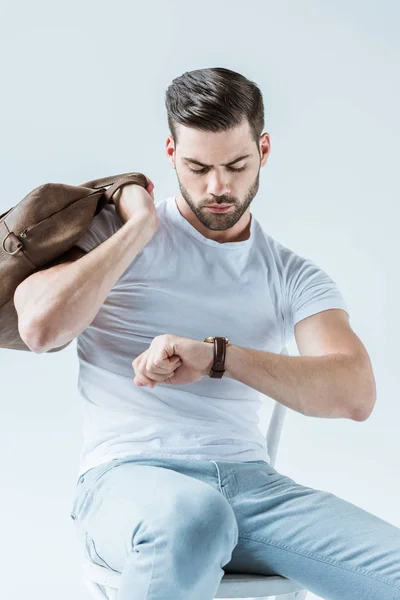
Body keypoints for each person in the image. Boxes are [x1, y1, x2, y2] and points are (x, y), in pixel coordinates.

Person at [17, 67, 400, 599]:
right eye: (197, 167)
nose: (217, 187)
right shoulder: (114, 236)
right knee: (196, 518)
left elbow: (355, 393)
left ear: (263, 151)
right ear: (170, 153)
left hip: (255, 491)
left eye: (236, 165)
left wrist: (219, 357)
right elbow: (38, 327)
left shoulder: (290, 274)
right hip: (129, 481)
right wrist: (141, 229)